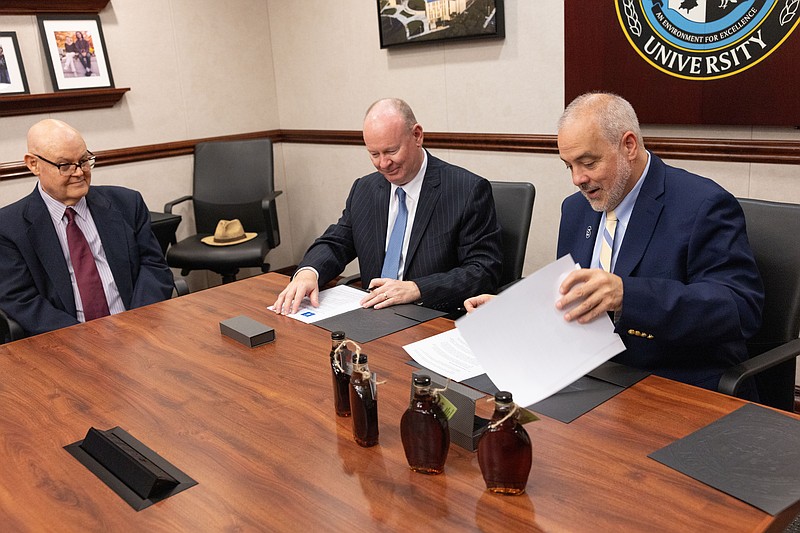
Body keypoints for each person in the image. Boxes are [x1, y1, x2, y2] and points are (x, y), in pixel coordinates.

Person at [465, 92, 763, 397]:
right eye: (569, 166)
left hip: (673, 383)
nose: (578, 179)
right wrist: (512, 310)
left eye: (588, 162)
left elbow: (740, 309)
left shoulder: (702, 205)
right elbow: (575, 296)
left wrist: (626, 295)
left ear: (629, 146)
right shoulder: (576, 209)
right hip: (588, 375)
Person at [273, 98, 502, 315]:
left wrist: (417, 289)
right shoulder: (365, 189)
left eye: (392, 151)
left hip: (431, 317)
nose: (383, 164)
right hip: (372, 316)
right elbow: (337, 242)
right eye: (374, 154)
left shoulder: (466, 190)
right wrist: (308, 272)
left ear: (417, 135)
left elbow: (482, 270)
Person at [0, 119, 174, 337]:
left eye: (83, 160)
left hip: (139, 329)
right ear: (33, 164)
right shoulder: (8, 227)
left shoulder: (127, 203)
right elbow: (21, 299)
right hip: (67, 342)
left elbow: (154, 266)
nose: (79, 173)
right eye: (65, 165)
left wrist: (136, 322)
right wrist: (83, 338)